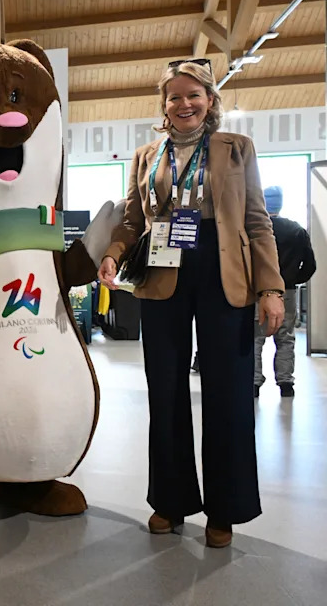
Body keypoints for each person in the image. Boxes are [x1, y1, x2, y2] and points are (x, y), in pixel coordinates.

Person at [97, 59, 285, 549]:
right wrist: (115, 254)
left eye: (193, 95)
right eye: (175, 97)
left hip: (225, 274)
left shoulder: (236, 148)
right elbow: (133, 219)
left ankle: (225, 509)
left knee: (228, 393)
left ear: (209, 100)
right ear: (164, 105)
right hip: (163, 273)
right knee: (165, 389)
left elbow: (258, 223)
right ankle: (170, 500)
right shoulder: (146, 155)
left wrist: (272, 288)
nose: (184, 104)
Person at [254, 185, 317, 397]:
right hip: (286, 293)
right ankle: (285, 383)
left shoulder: (255, 229)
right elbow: (310, 266)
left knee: (255, 339)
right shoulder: (296, 230)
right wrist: (290, 281)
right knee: (286, 338)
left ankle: (253, 384)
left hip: (258, 293)